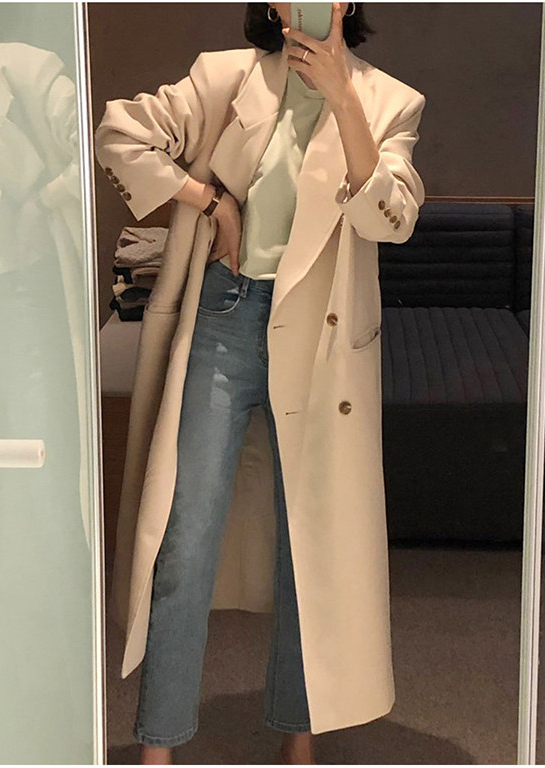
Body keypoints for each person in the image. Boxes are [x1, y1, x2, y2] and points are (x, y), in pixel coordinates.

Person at [95, 2, 426, 764]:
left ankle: (298, 742)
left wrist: (342, 97)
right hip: (224, 314)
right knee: (182, 540)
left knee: (306, 546)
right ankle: (158, 749)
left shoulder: (388, 102)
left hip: (318, 340)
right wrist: (210, 201)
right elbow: (120, 131)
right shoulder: (226, 77)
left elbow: (391, 219)